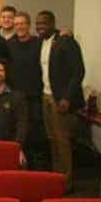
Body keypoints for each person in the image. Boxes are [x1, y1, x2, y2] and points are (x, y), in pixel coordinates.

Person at [36, 10, 85, 188]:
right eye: (37, 24)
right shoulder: (41, 42)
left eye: (43, 23)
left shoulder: (66, 41)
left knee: (62, 141)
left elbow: (78, 71)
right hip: (46, 96)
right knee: (52, 139)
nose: (39, 27)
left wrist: (66, 97)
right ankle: (57, 179)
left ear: (52, 23)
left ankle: (66, 182)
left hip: (60, 99)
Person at [7, 11, 50, 170]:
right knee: (17, 131)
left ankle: (36, 169)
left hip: (35, 96)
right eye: (17, 24)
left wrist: (63, 33)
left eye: (22, 23)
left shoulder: (39, 43)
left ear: (28, 25)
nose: (19, 27)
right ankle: (18, 166)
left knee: (35, 133)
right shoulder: (9, 44)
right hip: (15, 96)